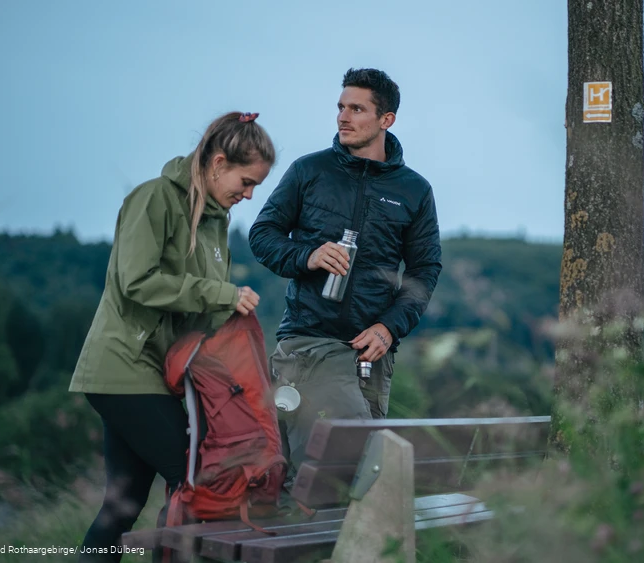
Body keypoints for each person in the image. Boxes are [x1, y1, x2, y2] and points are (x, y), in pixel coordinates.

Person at [68, 111, 275, 562]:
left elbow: (199, 313)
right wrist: (222, 294)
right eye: (245, 181)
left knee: (121, 505)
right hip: (123, 366)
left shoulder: (216, 222)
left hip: (157, 374)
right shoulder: (154, 199)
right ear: (218, 163)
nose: (249, 194)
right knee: (198, 479)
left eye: (255, 185)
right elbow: (137, 281)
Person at [248, 68, 442, 476]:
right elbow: (262, 235)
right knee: (343, 469)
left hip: (373, 354)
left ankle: (305, 537)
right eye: (341, 107)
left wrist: (389, 328)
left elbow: (424, 270)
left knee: (340, 482)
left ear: (386, 120)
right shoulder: (309, 171)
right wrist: (308, 256)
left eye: (357, 109)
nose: (343, 117)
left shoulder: (414, 190)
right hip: (311, 345)